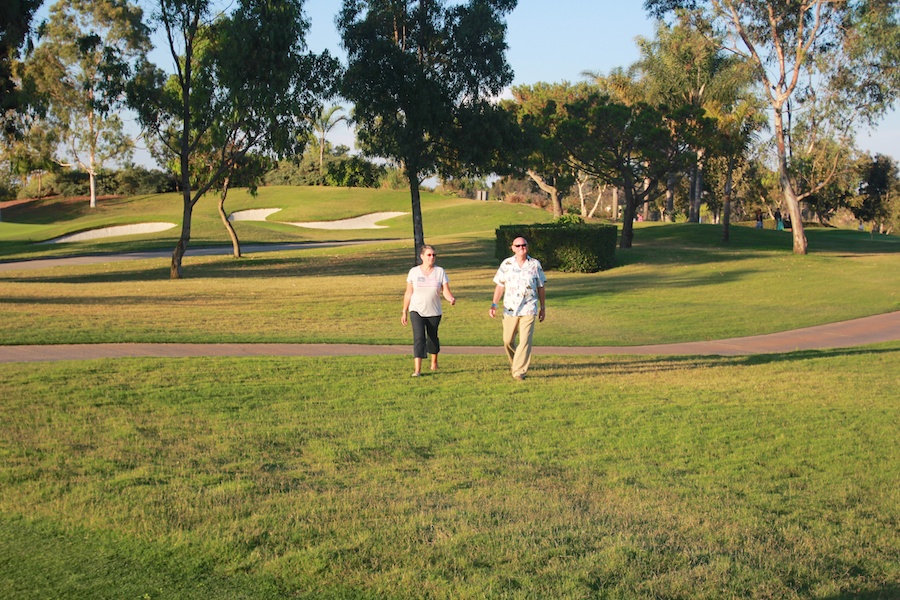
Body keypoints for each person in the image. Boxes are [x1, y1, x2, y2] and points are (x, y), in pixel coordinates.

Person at [489, 236, 546, 381]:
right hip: (510, 309)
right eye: (518, 246)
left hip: (529, 307)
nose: (521, 248)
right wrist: (494, 304)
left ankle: (519, 371)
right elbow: (500, 286)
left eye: (524, 245)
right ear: (513, 248)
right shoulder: (506, 264)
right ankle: (516, 362)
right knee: (507, 340)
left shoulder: (534, 264)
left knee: (525, 340)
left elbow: (541, 286)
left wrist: (543, 307)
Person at [401, 244, 455, 377]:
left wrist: (450, 299)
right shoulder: (414, 272)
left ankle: (434, 361)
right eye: (429, 255)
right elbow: (408, 293)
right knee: (419, 337)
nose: (432, 257)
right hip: (416, 310)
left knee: (432, 337)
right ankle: (417, 370)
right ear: (422, 257)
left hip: (434, 311)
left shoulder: (440, 271)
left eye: (434, 255)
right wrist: (404, 311)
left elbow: (446, 291)